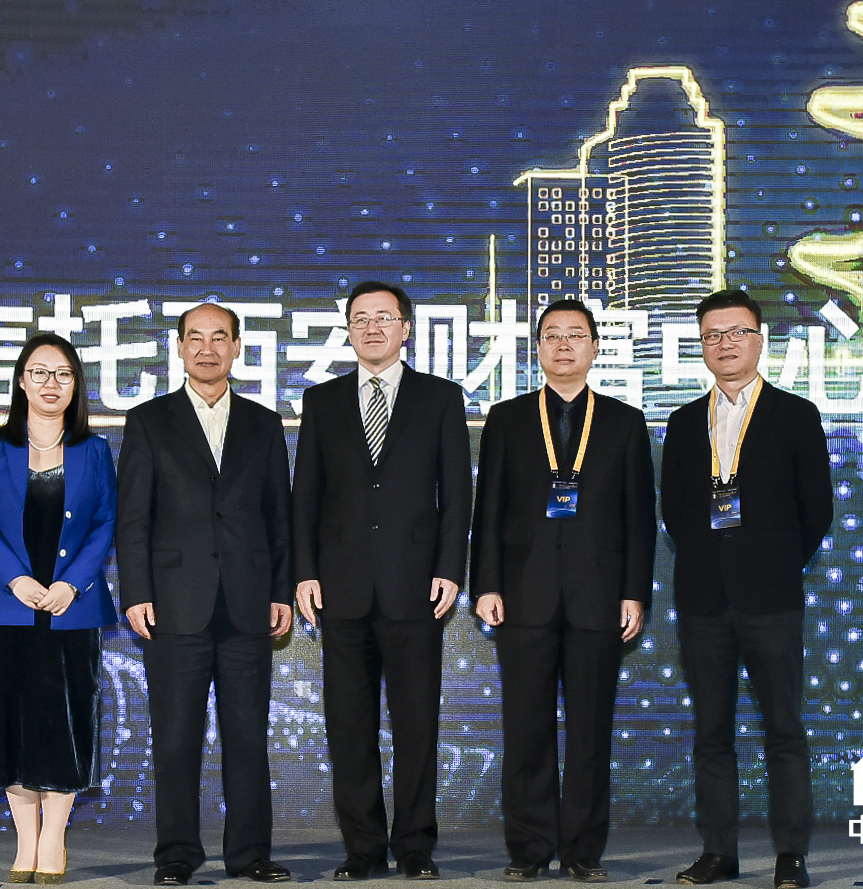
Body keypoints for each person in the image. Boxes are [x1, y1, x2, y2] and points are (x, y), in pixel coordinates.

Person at [470, 298, 656, 883]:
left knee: (590, 733)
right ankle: (528, 849)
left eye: (576, 334)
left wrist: (634, 592)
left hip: (599, 596)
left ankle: (582, 851)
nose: (564, 344)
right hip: (522, 596)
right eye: (552, 334)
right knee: (526, 730)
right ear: (538, 349)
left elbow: (639, 518)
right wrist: (486, 584)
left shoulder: (624, 421)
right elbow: (488, 509)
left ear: (595, 347)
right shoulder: (507, 418)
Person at [292, 281, 473, 881]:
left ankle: (416, 845)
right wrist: (305, 573)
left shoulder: (440, 397)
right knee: (350, 727)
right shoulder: (321, 401)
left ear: (406, 328)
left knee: (417, 724)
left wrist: (449, 567)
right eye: (360, 319)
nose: (372, 328)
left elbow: (457, 494)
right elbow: (305, 496)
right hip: (340, 587)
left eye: (384, 318)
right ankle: (363, 848)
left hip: (416, 586)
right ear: (348, 330)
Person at [115, 302, 293, 887]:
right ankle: (176, 854)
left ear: (237, 347)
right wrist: (136, 591)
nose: (207, 348)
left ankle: (251, 854)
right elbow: (133, 518)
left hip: (247, 604)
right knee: (174, 740)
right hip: (173, 602)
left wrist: (281, 590)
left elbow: (279, 517)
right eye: (196, 337)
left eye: (220, 337)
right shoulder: (148, 421)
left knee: (247, 738)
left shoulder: (264, 424)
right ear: (179, 347)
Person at [662, 289, 833, 889]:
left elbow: (816, 510)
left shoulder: (796, 415)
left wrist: (774, 564)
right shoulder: (684, 422)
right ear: (702, 347)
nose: (724, 344)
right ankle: (719, 853)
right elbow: (674, 510)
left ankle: (791, 855)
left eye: (736, 332)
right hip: (703, 599)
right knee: (712, 733)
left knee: (783, 730)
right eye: (712, 335)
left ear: (760, 340)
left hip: (772, 599)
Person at [0, 332, 118, 885]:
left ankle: (54, 838)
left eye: (63, 374)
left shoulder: (94, 450)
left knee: (63, 724)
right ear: (21, 382)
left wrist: (71, 584)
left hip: (71, 610)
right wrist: (17, 579)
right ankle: (24, 842)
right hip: (8, 607)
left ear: (76, 385)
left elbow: (105, 522)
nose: (51, 383)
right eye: (40, 372)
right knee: (10, 722)